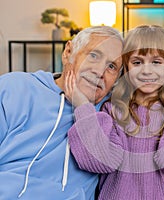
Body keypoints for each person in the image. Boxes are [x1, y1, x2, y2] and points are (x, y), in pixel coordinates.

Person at [65, 25, 164, 200]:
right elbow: (98, 160)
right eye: (137, 62)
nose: (146, 71)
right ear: (126, 67)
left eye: (156, 62)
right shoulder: (112, 110)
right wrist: (82, 106)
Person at [0, 26, 123, 199]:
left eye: (111, 66)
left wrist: (82, 108)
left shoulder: (114, 111)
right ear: (68, 52)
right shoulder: (13, 88)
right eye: (93, 55)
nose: (99, 72)